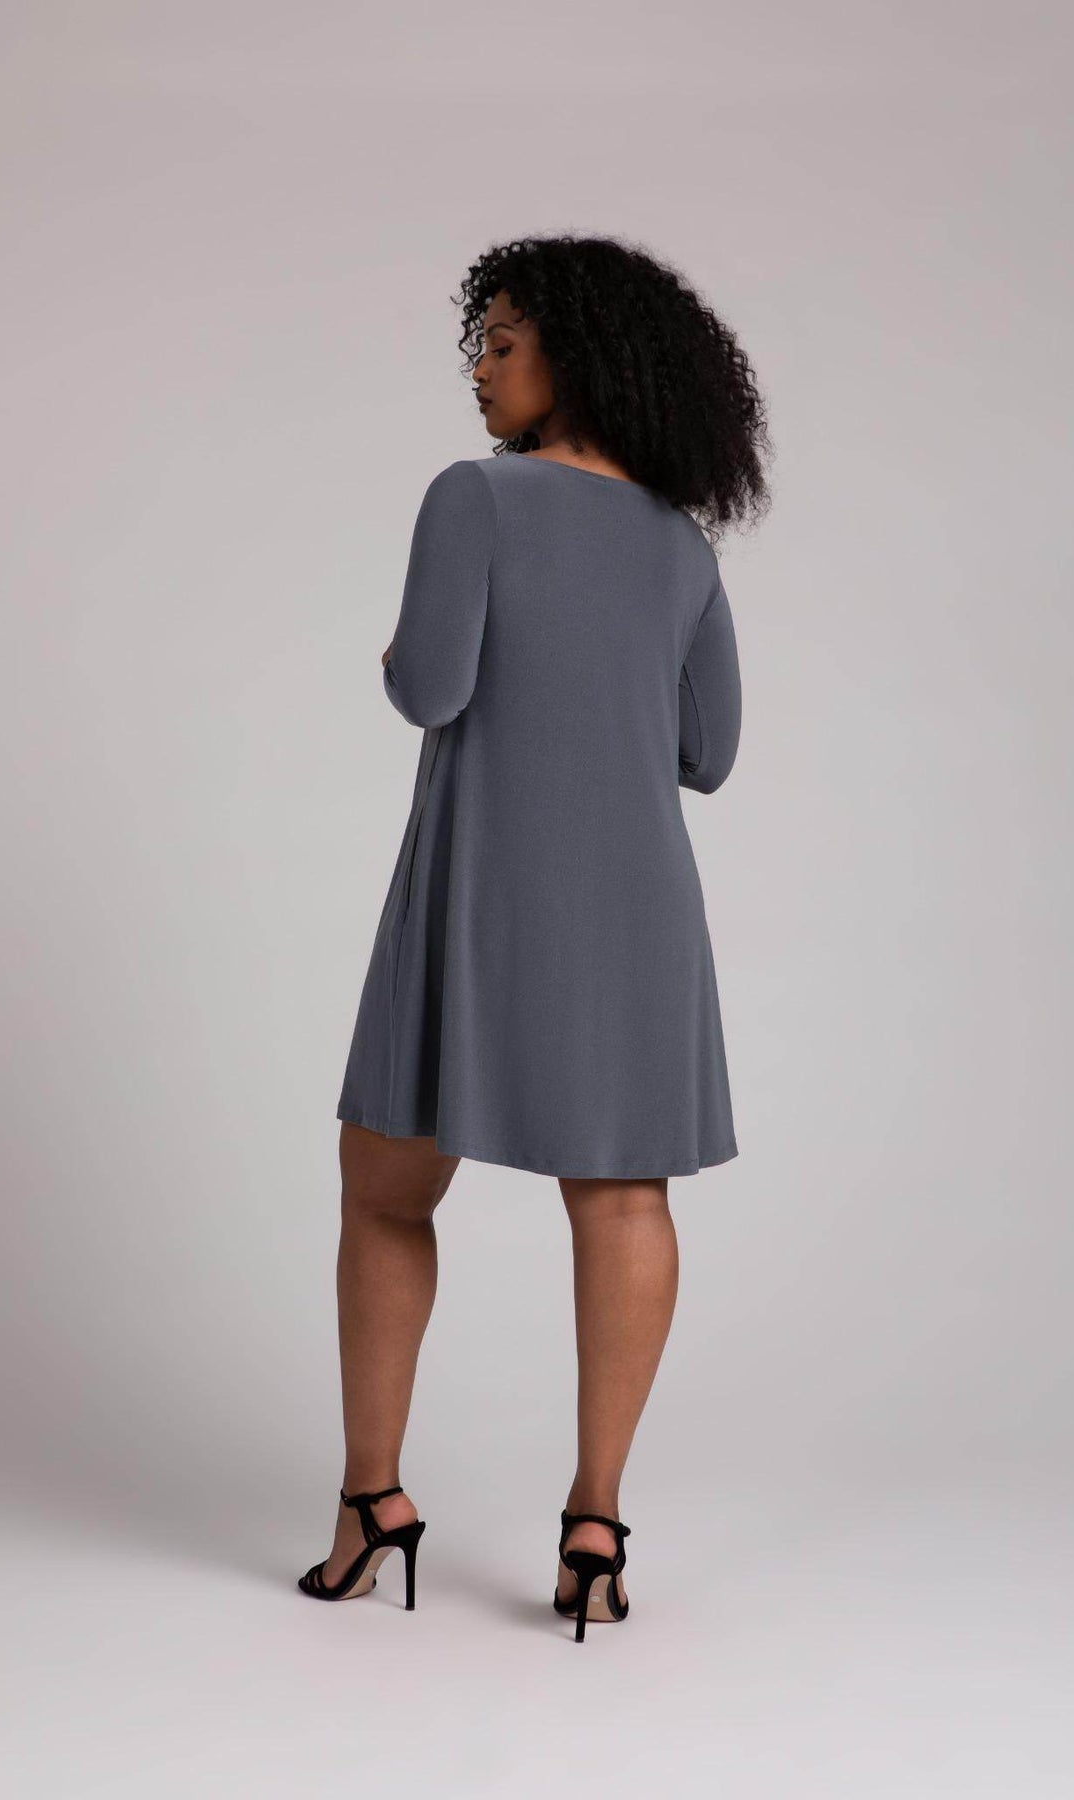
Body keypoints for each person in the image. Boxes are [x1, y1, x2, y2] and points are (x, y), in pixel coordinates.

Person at [298, 232, 772, 1639]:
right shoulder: (683, 546)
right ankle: (596, 1530)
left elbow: (431, 687)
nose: (481, 371)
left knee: (386, 1192)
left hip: (478, 889)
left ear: (577, 356)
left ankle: (373, 1502)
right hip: (637, 909)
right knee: (623, 1202)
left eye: (501, 343)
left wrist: (399, 659)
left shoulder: (477, 498)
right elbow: (709, 754)